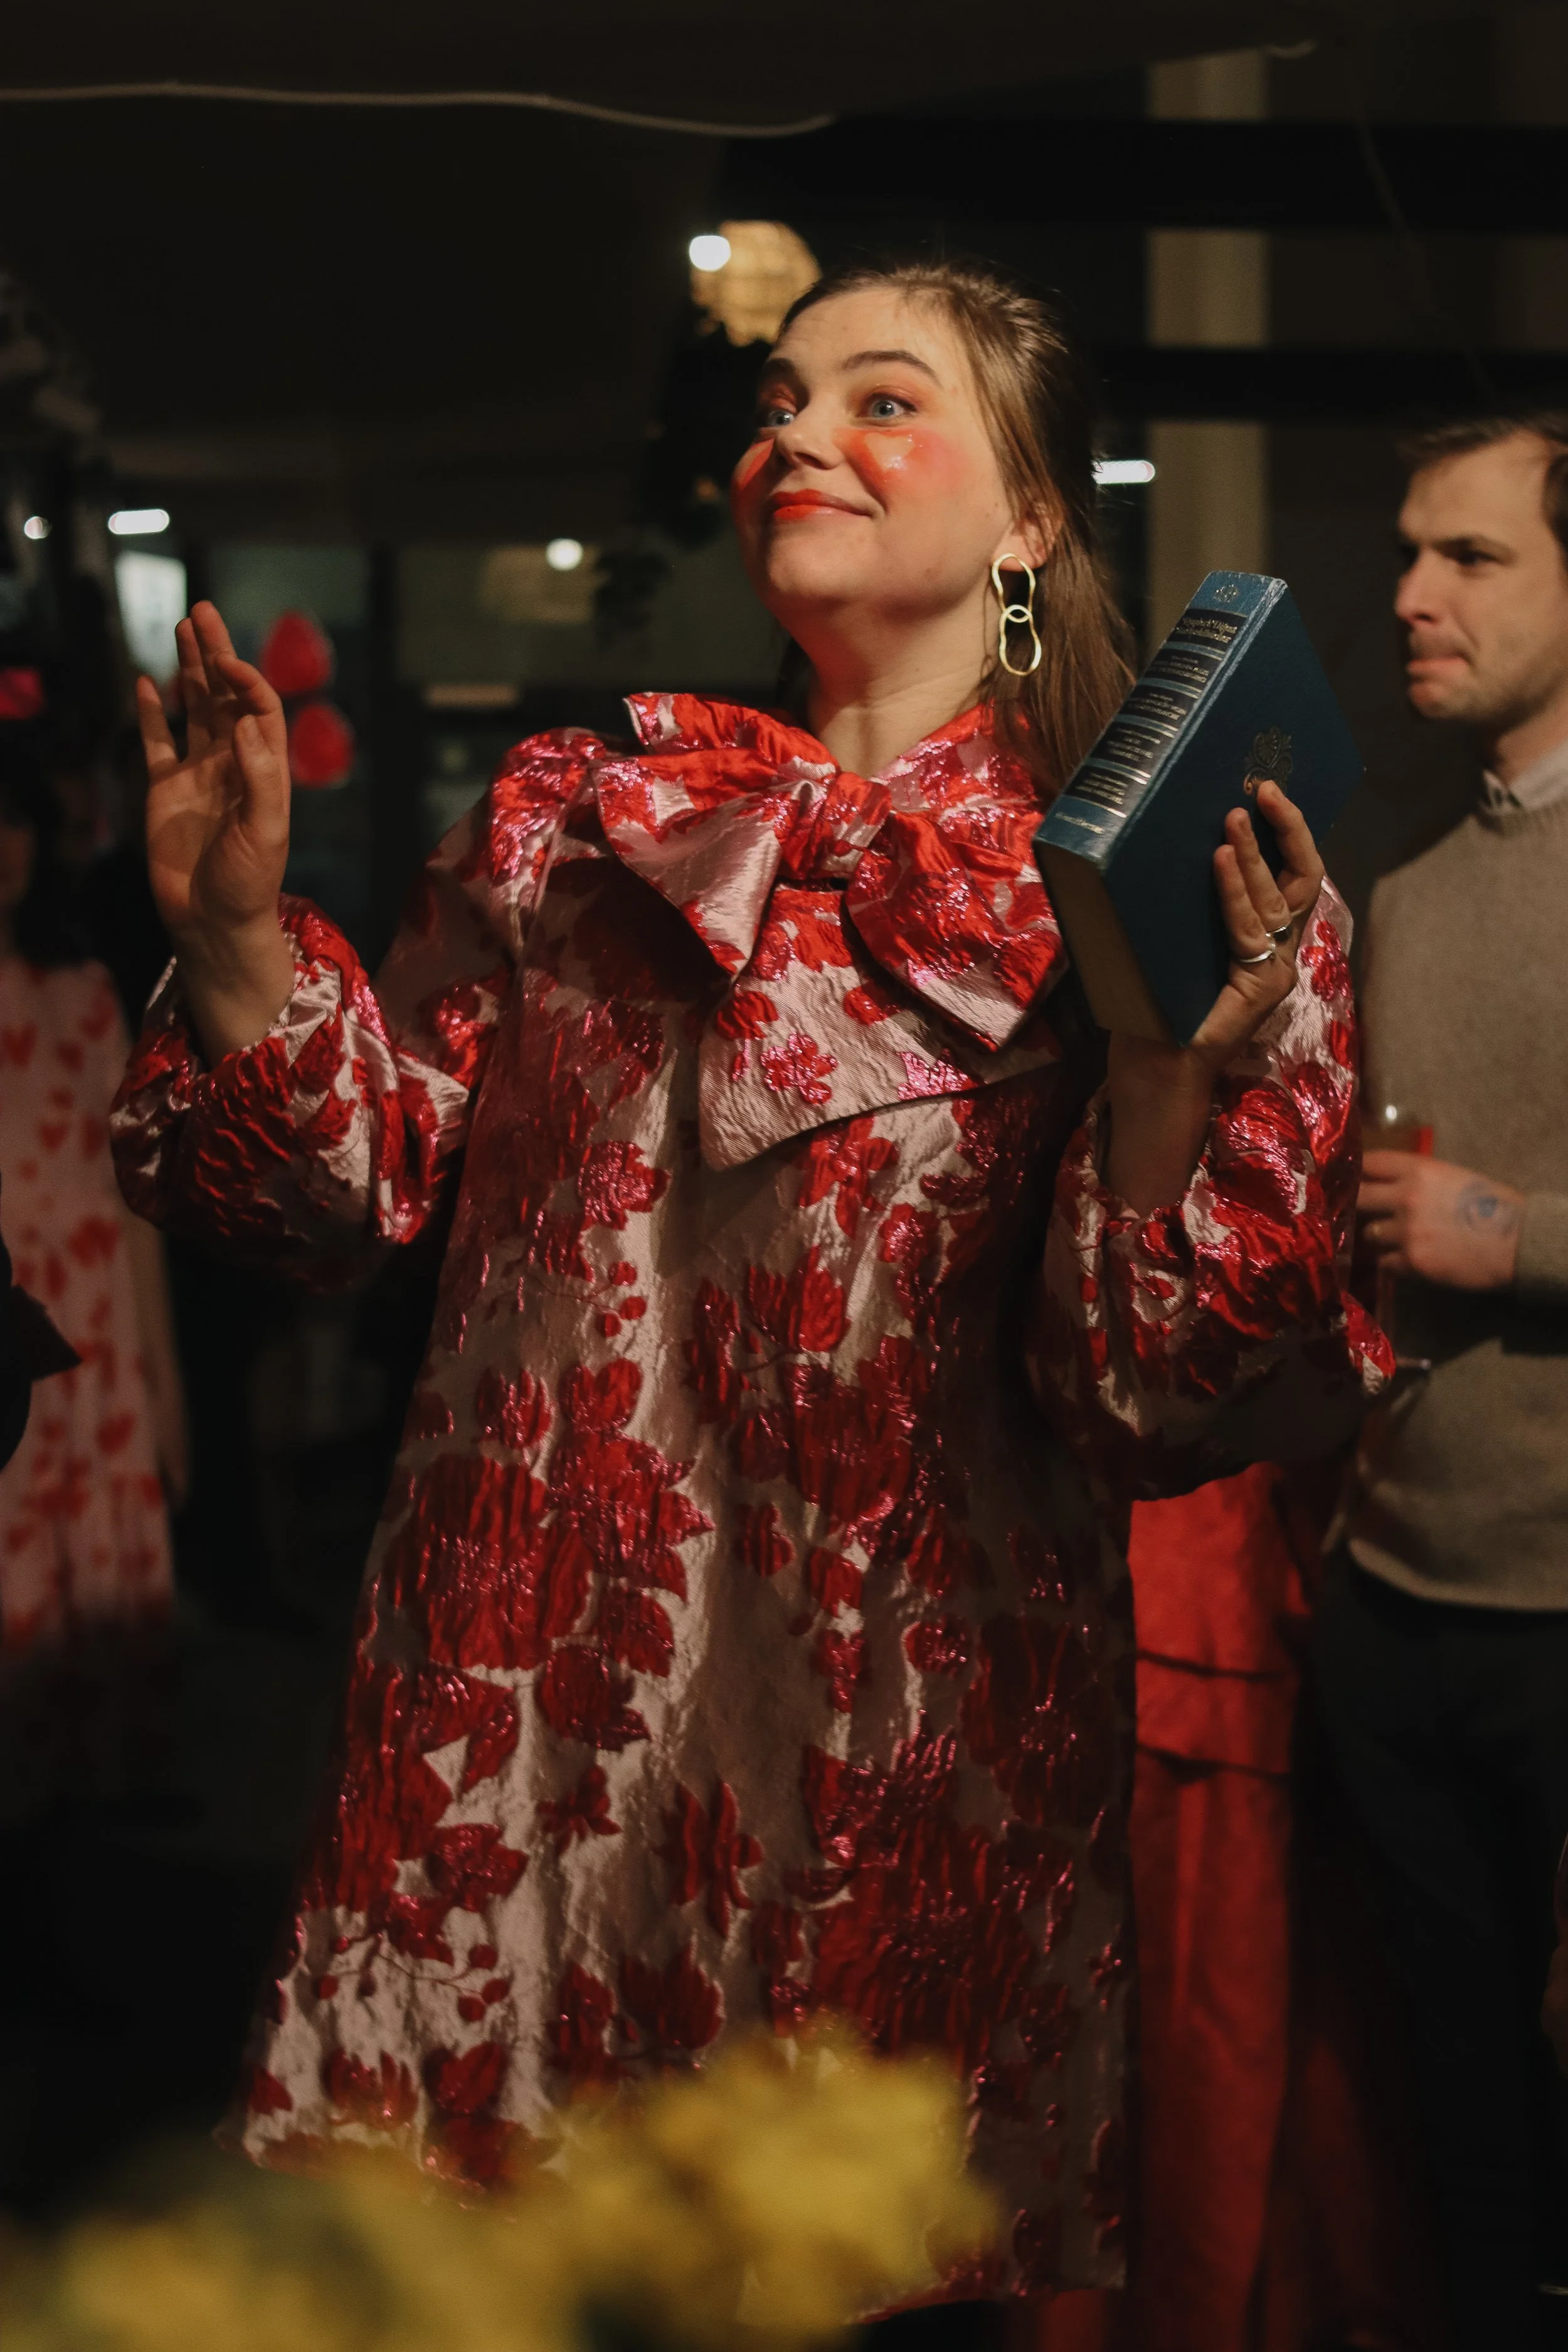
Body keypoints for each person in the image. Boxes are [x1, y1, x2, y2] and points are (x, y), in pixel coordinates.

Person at [110, 258, 1386, 2307]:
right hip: (518, 1763)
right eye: (785, 397)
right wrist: (245, 941)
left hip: (892, 1762)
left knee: (836, 2296)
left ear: (1037, 517)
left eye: (887, 401)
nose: (799, 432)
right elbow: (337, 1197)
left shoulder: (1159, 897)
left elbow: (1146, 1401)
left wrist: (1164, 1069)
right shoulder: (572, 834)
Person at [1317, 410, 1568, 2352]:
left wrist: (1524, 1233)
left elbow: (1483, 1223)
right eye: (1410, 550)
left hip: (1567, 1611)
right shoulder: (1400, 893)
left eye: (1469, 555)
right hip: (1393, 1600)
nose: (1409, 591)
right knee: (1455, 2137)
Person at [0, 728, 185, 1809]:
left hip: (91, 1328)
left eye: (16, 817)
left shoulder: (84, 992)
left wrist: (162, 1383)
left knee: (86, 1614)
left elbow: (132, 1199)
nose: (4, 844)